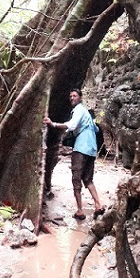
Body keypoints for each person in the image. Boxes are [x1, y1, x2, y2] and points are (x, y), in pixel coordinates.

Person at [43, 89, 104, 220]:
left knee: (76, 179)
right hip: (92, 149)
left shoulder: (78, 110)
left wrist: (52, 124)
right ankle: (98, 205)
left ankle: (80, 211)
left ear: (80, 98)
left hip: (81, 148)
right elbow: (96, 129)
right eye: (70, 96)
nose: (72, 98)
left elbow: (72, 125)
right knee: (88, 179)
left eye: (74, 96)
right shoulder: (87, 113)